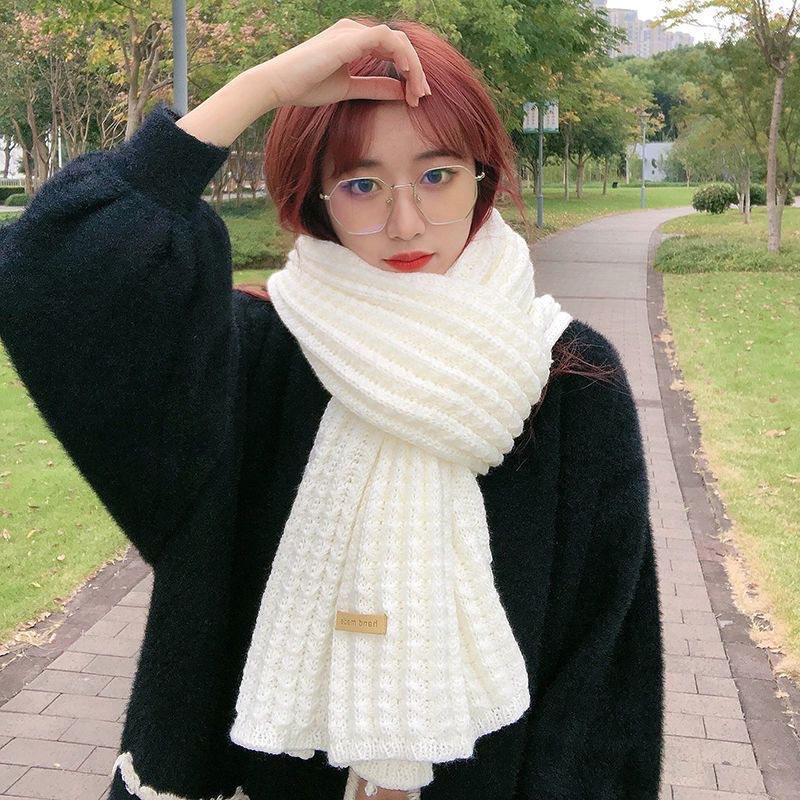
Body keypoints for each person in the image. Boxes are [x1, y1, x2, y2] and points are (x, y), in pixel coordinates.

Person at [0, 15, 664, 800]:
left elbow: (604, 676)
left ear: (482, 177)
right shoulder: (255, 357)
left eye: (438, 176)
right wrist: (259, 90)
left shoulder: (570, 378)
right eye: (361, 184)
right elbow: (56, 272)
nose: (405, 222)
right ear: (317, 199)